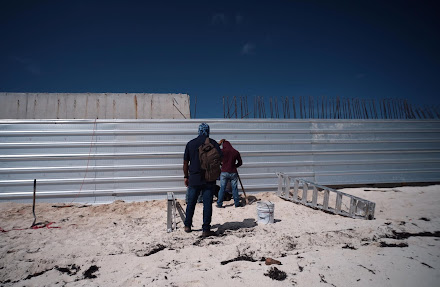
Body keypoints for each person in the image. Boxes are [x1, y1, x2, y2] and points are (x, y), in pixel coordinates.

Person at [183, 123, 222, 237]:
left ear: (199, 131)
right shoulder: (213, 143)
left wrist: (186, 176)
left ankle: (188, 225)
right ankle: (206, 229)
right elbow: (220, 158)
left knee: (191, 202)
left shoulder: (190, 144)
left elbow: (186, 163)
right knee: (207, 204)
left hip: (194, 178)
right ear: (208, 131)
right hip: (209, 179)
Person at [216, 139, 243, 208]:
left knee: (222, 188)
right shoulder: (235, 152)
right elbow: (240, 163)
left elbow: (216, 153)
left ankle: (219, 203)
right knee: (234, 188)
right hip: (233, 172)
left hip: (224, 172)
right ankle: (236, 203)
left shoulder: (222, 151)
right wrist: (235, 166)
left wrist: (222, 164)